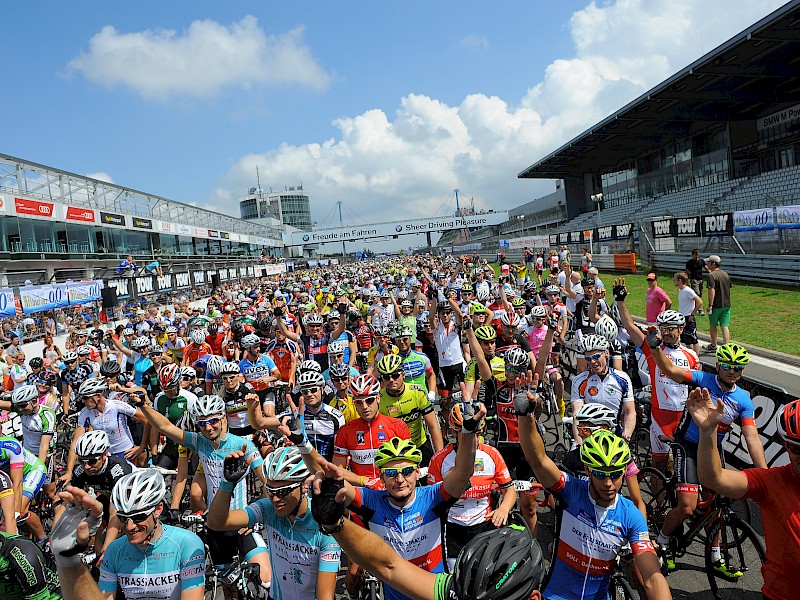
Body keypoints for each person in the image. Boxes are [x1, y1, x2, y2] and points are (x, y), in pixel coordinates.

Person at [514, 390, 672, 600]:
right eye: (600, 474)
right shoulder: (572, 490)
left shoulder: (630, 516)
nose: (608, 483)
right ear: (588, 471)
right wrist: (525, 415)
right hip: (554, 595)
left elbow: (653, 578)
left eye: (615, 475)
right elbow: (538, 460)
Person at [647, 340, 766, 575]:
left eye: (738, 368)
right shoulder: (703, 379)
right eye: (728, 366)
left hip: (712, 451)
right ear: (719, 365)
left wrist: (764, 474)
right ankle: (662, 542)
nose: (732, 371)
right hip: (688, 446)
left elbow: (752, 437)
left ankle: (715, 555)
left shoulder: (743, 399)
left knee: (718, 506)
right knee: (688, 507)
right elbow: (670, 371)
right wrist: (654, 348)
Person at [688, 391, 799, 600]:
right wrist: (708, 432)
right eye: (796, 449)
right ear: (785, 445)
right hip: (780, 595)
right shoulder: (771, 482)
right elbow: (714, 479)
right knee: (685, 506)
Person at [49, 470, 205, 600]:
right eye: (123, 518)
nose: (129, 526)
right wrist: (68, 559)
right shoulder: (114, 550)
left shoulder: (187, 543)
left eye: (138, 517)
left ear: (158, 509)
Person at [207, 447, 339, 600]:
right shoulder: (269, 510)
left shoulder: (323, 525)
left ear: (304, 486)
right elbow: (217, 523)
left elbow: (325, 597)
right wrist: (226, 483)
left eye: (283, 491)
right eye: (270, 491)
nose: (276, 499)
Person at [613, 279, 699, 475]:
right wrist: (620, 301)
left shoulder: (692, 356)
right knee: (658, 467)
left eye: (671, 328)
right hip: (661, 417)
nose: (666, 332)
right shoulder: (653, 348)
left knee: (686, 468)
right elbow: (629, 325)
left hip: (685, 417)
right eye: (663, 328)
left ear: (681, 329)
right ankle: (660, 506)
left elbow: (696, 387)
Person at [427, 404, 517, 571]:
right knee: (455, 576)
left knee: (483, 575)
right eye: (467, 433)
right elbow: (432, 499)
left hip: (482, 525)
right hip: (452, 527)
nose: (474, 439)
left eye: (477, 434)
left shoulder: (491, 454)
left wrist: (503, 508)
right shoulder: (439, 459)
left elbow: (509, 489)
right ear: (454, 432)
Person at [376, 354, 443, 466]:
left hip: (420, 445)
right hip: (395, 451)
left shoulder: (417, 392)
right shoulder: (379, 400)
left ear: (403, 374)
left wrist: (440, 456)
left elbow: (432, 426)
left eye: (395, 375)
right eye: (386, 377)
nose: (391, 380)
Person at [703, 254, 732, 350]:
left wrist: (710, 304)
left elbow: (712, 290)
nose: (707, 264)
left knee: (713, 325)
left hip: (716, 305)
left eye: (709, 262)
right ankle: (727, 347)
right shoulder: (725, 274)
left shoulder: (711, 275)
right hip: (727, 304)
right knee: (724, 325)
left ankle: (713, 345)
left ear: (713, 263)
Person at [672, 272, 702, 355]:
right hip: (682, 316)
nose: (674, 281)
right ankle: (690, 355)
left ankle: (696, 357)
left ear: (680, 280)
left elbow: (699, 302)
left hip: (688, 316)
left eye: (675, 279)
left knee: (693, 338)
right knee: (686, 339)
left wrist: (692, 314)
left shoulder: (688, 291)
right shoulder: (681, 290)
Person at [684, 249, 706, 315]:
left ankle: (695, 307)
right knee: (697, 293)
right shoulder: (689, 263)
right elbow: (686, 272)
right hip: (694, 279)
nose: (697, 256)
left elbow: (706, 268)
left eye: (698, 255)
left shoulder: (701, 261)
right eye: (695, 255)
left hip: (701, 279)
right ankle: (700, 310)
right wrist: (686, 281)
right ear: (692, 255)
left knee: (700, 294)